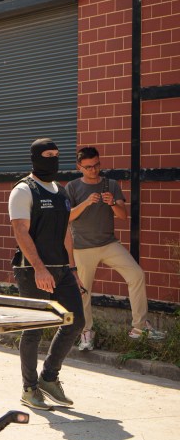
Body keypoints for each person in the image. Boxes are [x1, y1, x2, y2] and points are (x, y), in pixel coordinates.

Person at [8, 138, 85, 410]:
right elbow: (20, 231)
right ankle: (29, 389)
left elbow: (65, 232)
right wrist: (39, 268)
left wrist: (72, 268)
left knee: (75, 322)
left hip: (62, 269)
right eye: (47, 154)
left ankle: (49, 378)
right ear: (35, 158)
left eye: (56, 154)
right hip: (32, 270)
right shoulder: (23, 190)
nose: (52, 158)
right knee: (34, 330)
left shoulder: (60, 191)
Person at [66, 146, 163, 350]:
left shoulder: (110, 184)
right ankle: (86, 332)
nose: (94, 170)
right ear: (79, 167)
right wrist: (85, 203)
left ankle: (139, 327)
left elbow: (123, 215)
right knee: (83, 291)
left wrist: (112, 203)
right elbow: (66, 217)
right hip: (83, 248)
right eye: (89, 167)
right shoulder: (72, 187)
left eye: (97, 165)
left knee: (136, 274)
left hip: (109, 244)